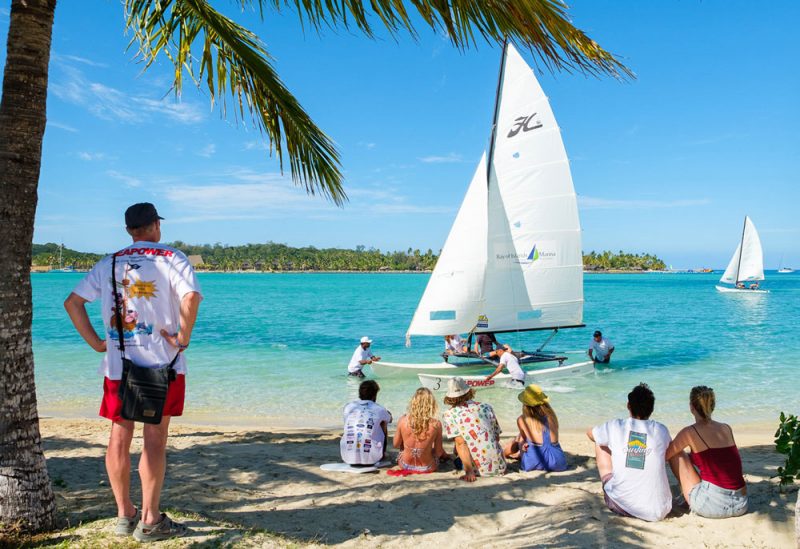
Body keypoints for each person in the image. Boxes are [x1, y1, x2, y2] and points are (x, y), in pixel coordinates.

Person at [64, 203, 202, 542]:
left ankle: (125, 514)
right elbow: (191, 298)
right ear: (155, 225)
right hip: (163, 365)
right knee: (154, 441)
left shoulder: (110, 262)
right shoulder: (172, 258)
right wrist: (183, 337)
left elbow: (72, 303)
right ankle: (151, 519)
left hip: (118, 367)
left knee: (118, 437)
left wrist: (98, 343)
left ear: (129, 230)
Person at [587, 383, 672, 521]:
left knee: (599, 439)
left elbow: (590, 434)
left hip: (622, 504)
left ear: (628, 406)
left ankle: (610, 480)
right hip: (659, 510)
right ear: (652, 409)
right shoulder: (661, 430)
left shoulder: (616, 426)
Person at [665, 386, 748, 518]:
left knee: (677, 455)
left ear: (691, 407)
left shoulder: (690, 432)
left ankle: (685, 496)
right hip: (741, 505)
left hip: (712, 506)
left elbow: (666, 455)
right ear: (712, 406)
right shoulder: (726, 428)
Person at [442, 377, 506, 482]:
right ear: (468, 391)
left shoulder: (449, 414)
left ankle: (470, 469)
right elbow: (496, 437)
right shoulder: (486, 407)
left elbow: (460, 442)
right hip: (500, 466)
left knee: (456, 458)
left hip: (478, 470)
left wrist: (469, 472)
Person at [503, 385, 567, 472]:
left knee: (519, 438)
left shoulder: (522, 419)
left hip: (535, 461)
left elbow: (523, 440)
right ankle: (511, 454)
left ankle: (503, 454)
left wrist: (523, 445)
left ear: (525, 404)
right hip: (558, 462)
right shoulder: (552, 416)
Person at [390, 388, 450, 475]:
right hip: (428, 467)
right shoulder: (436, 424)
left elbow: (395, 445)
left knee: (404, 446)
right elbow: (438, 452)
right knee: (434, 451)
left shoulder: (403, 420)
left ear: (413, 403)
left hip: (404, 465)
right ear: (431, 404)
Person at [340, 380, 392, 465]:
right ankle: (382, 454)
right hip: (372, 459)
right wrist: (387, 413)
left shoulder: (349, 407)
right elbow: (390, 419)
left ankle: (353, 451)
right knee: (383, 422)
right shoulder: (379, 409)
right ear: (375, 394)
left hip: (347, 457)